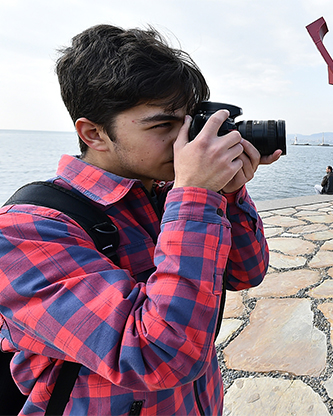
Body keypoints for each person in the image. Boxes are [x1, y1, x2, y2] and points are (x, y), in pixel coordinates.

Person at [0, 24, 280, 415]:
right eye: (164, 125)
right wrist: (195, 196)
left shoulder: (169, 195)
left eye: (189, 123)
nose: (185, 142)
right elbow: (156, 355)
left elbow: (246, 273)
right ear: (94, 133)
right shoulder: (25, 231)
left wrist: (227, 193)